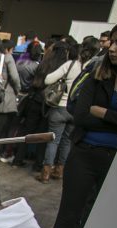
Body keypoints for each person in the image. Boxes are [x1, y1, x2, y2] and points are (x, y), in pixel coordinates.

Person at [51, 18, 117, 228]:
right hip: (84, 155)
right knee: (68, 216)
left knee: (98, 221)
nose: (111, 47)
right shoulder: (99, 74)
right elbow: (80, 115)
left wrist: (103, 112)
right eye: (111, 41)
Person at [38, 42, 83, 183]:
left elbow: (48, 79)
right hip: (75, 110)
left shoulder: (69, 65)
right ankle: (59, 171)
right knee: (66, 142)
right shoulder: (88, 67)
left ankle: (45, 173)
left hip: (60, 107)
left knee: (53, 141)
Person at [0, 40, 21, 161]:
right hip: (5, 99)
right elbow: (15, 77)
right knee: (1, 129)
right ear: (9, 49)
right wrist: (18, 90)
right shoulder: (8, 58)